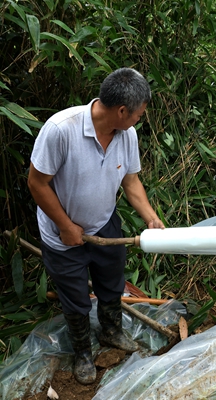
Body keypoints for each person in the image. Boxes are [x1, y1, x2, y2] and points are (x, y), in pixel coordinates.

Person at [28, 68, 165, 385]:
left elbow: (130, 180)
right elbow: (37, 183)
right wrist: (64, 225)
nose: (140, 120)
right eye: (139, 114)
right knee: (75, 298)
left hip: (105, 224)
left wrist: (150, 217)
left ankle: (112, 331)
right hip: (63, 235)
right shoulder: (61, 130)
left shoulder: (126, 135)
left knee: (111, 282)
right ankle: (83, 353)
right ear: (121, 111)